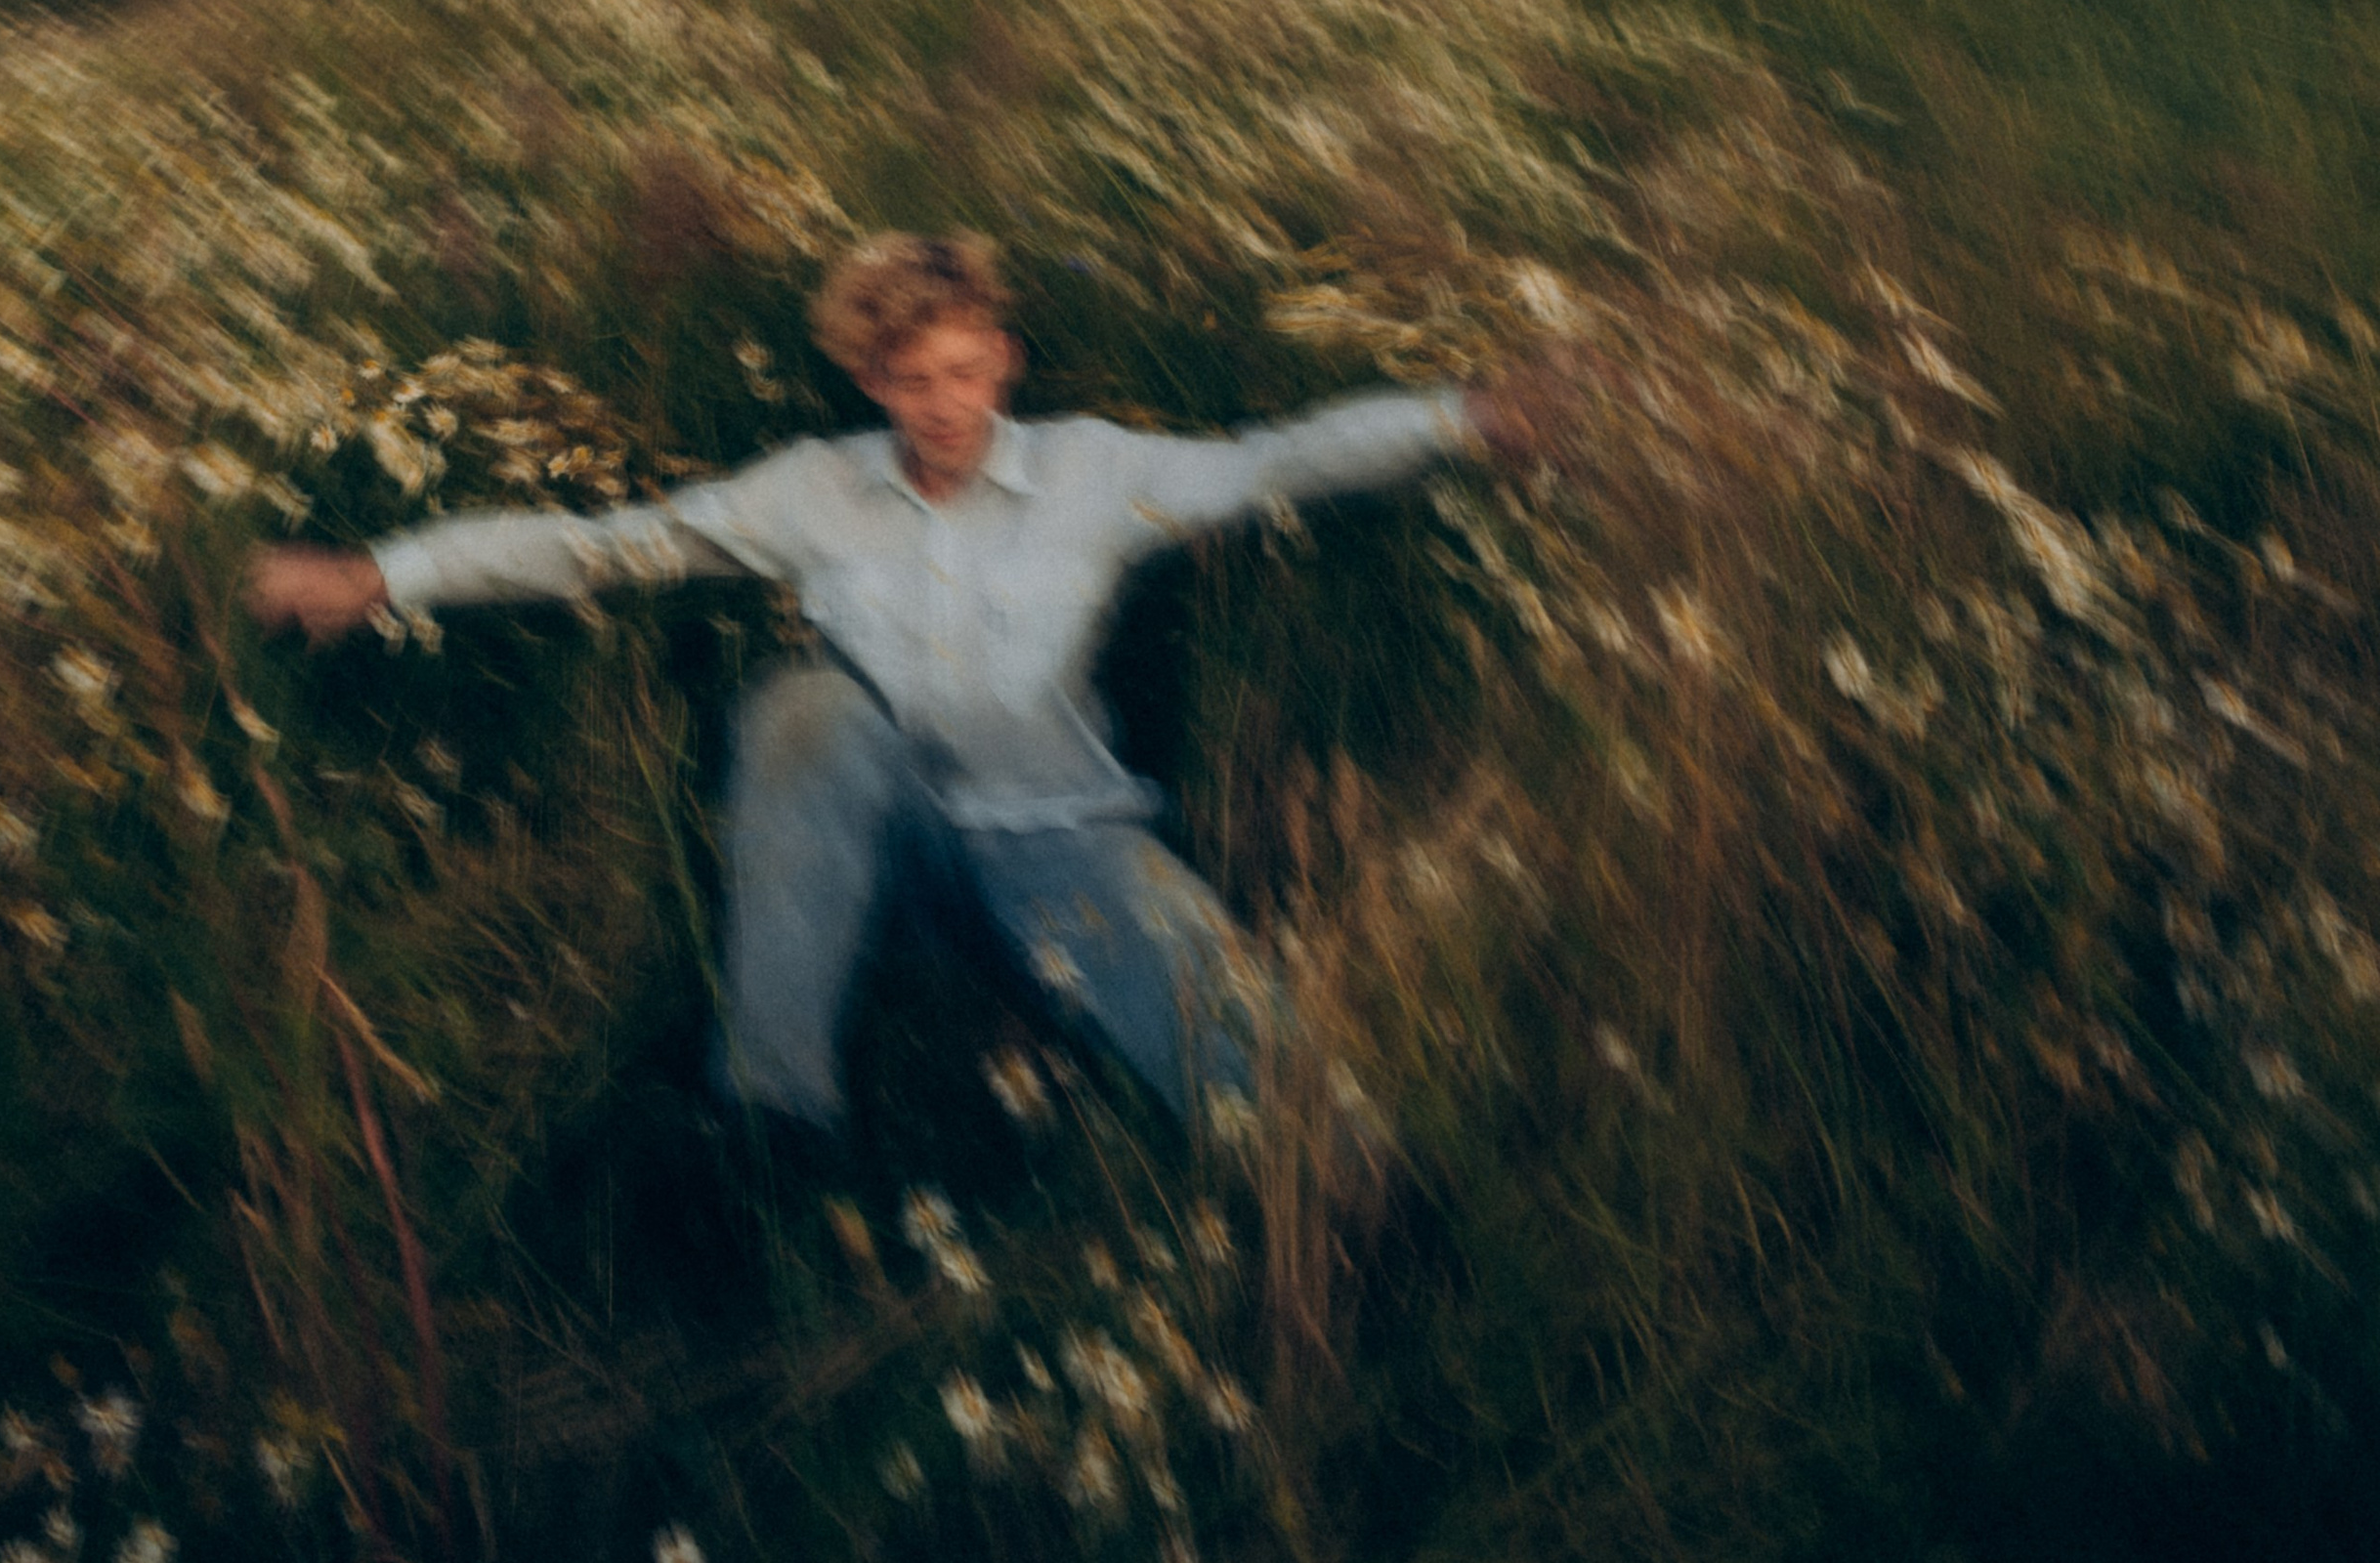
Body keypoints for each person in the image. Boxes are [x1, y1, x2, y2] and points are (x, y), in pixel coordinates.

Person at [246, 233, 1576, 1134]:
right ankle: (772, 1122)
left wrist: (1460, 423)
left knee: (1251, 1060)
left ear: (1001, 358)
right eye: (907, 378)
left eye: (962, 369)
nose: (942, 403)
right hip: (888, 855)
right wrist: (384, 575)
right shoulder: (813, 491)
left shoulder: (1096, 471)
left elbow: (1276, 461)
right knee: (802, 713)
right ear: (867, 378)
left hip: (1066, 841)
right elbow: (607, 549)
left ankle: (1348, 1203)